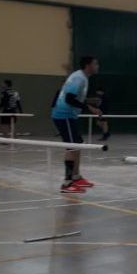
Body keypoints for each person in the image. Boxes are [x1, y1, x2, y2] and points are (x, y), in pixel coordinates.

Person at [50, 57, 102, 194]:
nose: (98, 65)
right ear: (88, 65)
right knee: (71, 147)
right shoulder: (79, 78)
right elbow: (69, 99)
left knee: (78, 144)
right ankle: (67, 183)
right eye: (95, 63)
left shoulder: (82, 77)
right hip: (63, 115)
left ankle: (76, 177)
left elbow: (73, 96)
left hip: (70, 115)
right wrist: (89, 107)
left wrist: (89, 102)